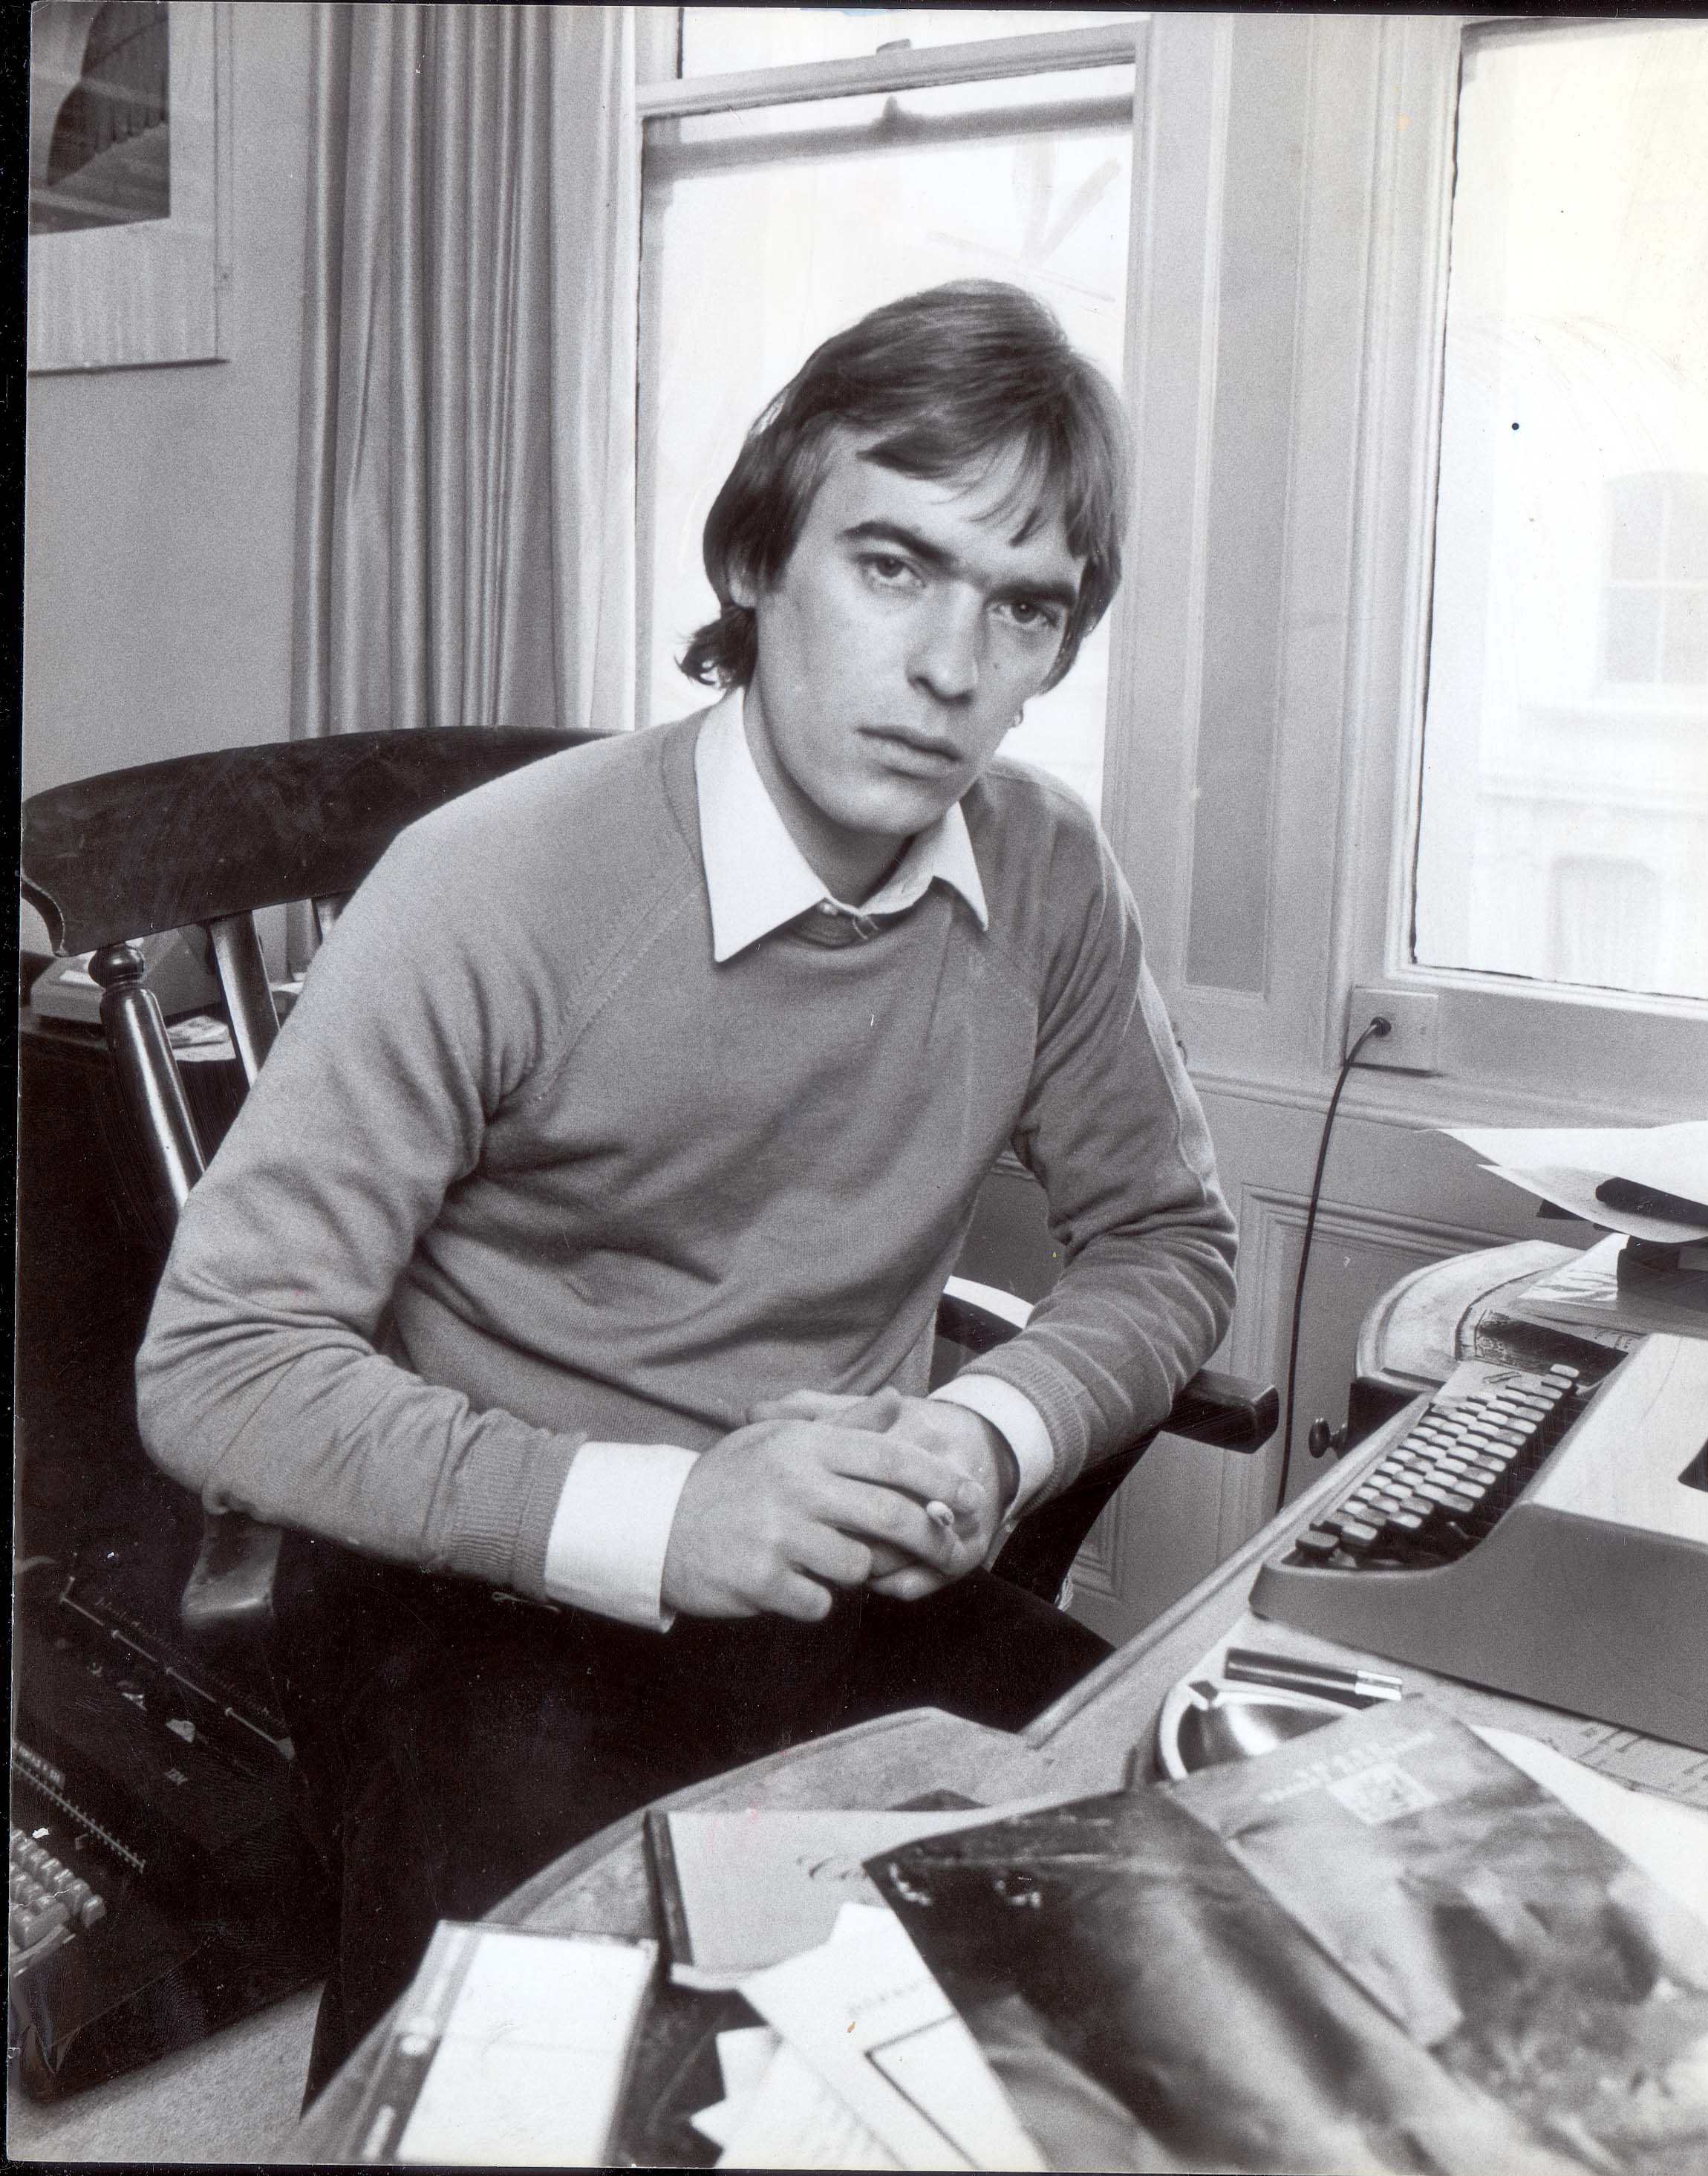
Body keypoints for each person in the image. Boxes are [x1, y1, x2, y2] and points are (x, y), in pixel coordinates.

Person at [134, 279, 1237, 2091]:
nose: (955, 667)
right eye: (895, 564)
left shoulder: (1044, 867)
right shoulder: (489, 883)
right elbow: (224, 1358)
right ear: (758, 560)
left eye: (1022, 606)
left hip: (843, 1568)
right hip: (479, 1582)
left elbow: (1170, 1238)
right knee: (530, 2084)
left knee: (1157, 1941)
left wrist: (993, 1431)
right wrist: (665, 1519)